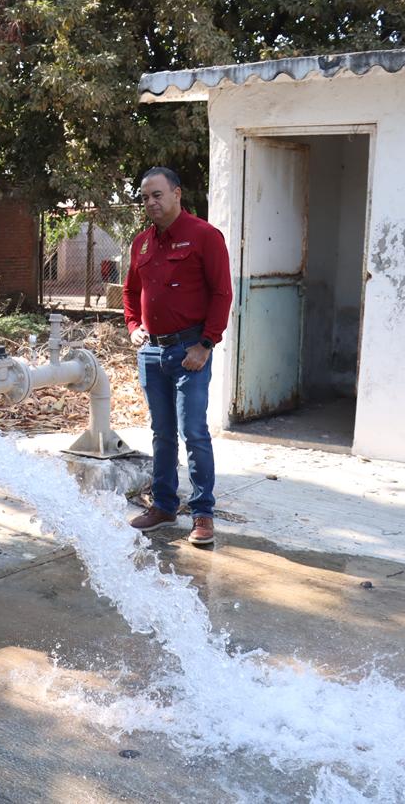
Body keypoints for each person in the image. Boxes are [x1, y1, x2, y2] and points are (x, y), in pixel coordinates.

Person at [123, 166, 232, 546]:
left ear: (177, 194)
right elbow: (130, 290)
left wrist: (205, 344)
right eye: (145, 197)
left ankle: (202, 514)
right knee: (161, 433)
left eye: (157, 195)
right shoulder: (141, 244)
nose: (151, 202)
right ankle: (164, 505)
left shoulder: (205, 236)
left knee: (194, 432)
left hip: (190, 351)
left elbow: (222, 294)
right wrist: (134, 325)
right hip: (152, 351)